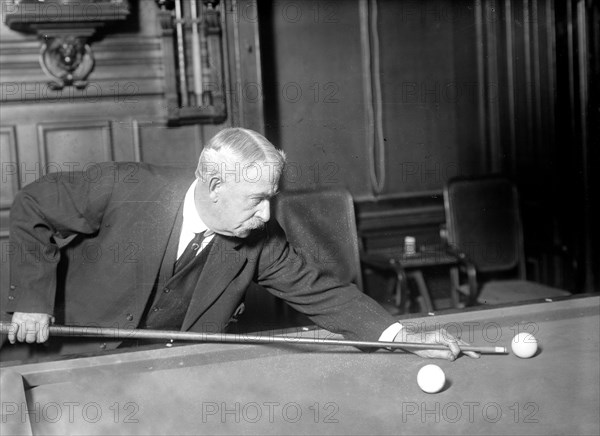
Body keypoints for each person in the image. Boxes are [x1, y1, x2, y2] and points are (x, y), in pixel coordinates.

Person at [2, 128, 478, 360]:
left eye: (272, 198)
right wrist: (31, 300)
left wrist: (401, 338)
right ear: (212, 185)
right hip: (72, 354)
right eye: (256, 199)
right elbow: (31, 209)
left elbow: (323, 293)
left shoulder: (258, 238)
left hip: (169, 367)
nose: (267, 214)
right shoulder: (123, 186)